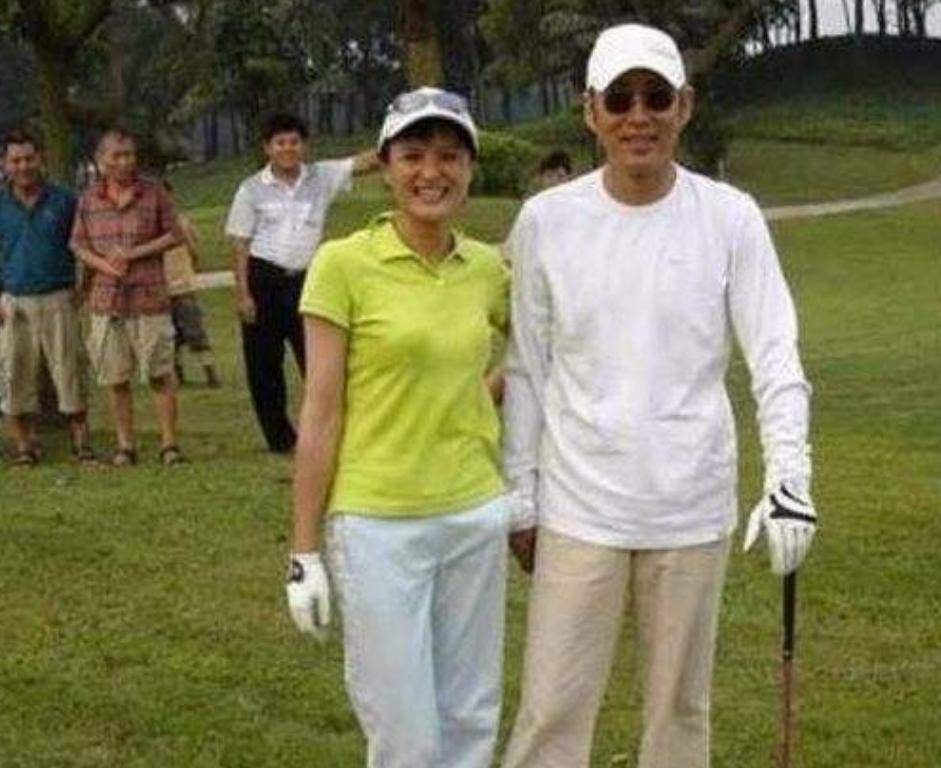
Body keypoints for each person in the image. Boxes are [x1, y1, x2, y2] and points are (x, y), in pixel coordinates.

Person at [501, 24, 818, 768]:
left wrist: (790, 477)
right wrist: (521, 496)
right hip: (578, 507)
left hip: (690, 506)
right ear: (591, 111)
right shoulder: (547, 221)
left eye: (656, 97)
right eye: (620, 99)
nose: (638, 116)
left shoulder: (730, 216)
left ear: (685, 105)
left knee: (679, 713)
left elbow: (775, 353)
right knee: (549, 714)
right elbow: (528, 369)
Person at [285, 88, 510, 768]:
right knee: (405, 731)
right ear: (385, 166)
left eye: (448, 156)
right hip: (378, 523)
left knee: (471, 718)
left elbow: (538, 353)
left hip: (475, 512)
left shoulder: (486, 268)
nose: (431, 173)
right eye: (413, 156)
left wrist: (476, 399)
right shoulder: (343, 264)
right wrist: (304, 550)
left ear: (469, 168)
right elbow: (321, 411)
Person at [224, 113, 379, 453]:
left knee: (319, 357)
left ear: (304, 145)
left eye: (294, 141)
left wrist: (403, 138)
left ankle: (332, 429)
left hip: (307, 280)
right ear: (268, 148)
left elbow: (364, 163)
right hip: (264, 278)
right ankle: (280, 439)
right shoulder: (251, 189)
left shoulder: (321, 176)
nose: (288, 149)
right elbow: (240, 244)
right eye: (280, 142)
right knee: (264, 364)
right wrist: (243, 294)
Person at [71, 127, 185, 467]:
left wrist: (133, 253)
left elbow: (174, 234)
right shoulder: (88, 199)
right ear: (100, 160)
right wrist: (103, 264)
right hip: (107, 300)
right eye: (116, 156)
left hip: (149, 296)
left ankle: (169, 443)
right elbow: (78, 244)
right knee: (115, 376)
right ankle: (125, 444)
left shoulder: (153, 192)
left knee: (159, 371)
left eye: (129, 155)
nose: (124, 162)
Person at [0, 129, 94, 466]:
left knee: (70, 371)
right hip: (14, 300)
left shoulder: (65, 200)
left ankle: (82, 444)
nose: (23, 166)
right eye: (15, 160)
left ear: (40, 159)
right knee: (15, 373)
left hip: (59, 296)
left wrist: (84, 290)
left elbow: (86, 245)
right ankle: (25, 446)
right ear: (4, 163)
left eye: (29, 158)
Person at [162, 183, 220, 388]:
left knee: (194, 331)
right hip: (162, 289)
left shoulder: (180, 222)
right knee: (170, 336)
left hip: (182, 287)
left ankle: (210, 372)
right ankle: (179, 374)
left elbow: (194, 251)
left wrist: (189, 271)